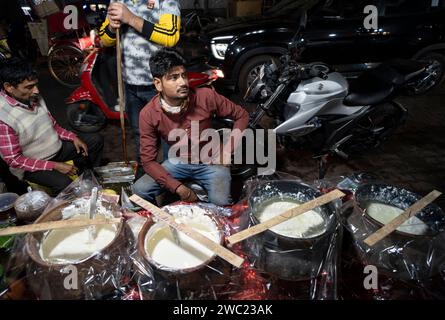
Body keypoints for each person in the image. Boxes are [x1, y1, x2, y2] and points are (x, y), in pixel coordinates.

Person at [133, 48, 249, 206]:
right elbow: (148, 162)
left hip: (212, 162)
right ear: (158, 84)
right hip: (178, 162)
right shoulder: (148, 114)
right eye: (173, 78)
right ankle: (158, 223)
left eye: (183, 75)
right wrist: (179, 188)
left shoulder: (206, 96)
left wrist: (228, 150)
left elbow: (242, 115)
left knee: (220, 204)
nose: (182, 82)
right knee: (140, 189)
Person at [0, 58, 104, 196]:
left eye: (35, 85)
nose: (36, 91)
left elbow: (53, 125)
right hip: (32, 165)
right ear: (9, 87)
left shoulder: (33, 97)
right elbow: (14, 160)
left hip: (55, 149)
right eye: (29, 87)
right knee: (65, 185)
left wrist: (72, 137)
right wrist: (55, 166)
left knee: (95, 141)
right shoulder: (3, 116)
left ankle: (87, 180)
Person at [98, 0, 181, 165]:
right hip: (130, 86)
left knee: (168, 134)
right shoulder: (118, 2)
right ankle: (146, 167)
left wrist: (131, 19)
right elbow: (105, 40)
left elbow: (171, 36)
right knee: (140, 132)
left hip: (160, 86)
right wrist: (111, 28)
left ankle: (171, 175)